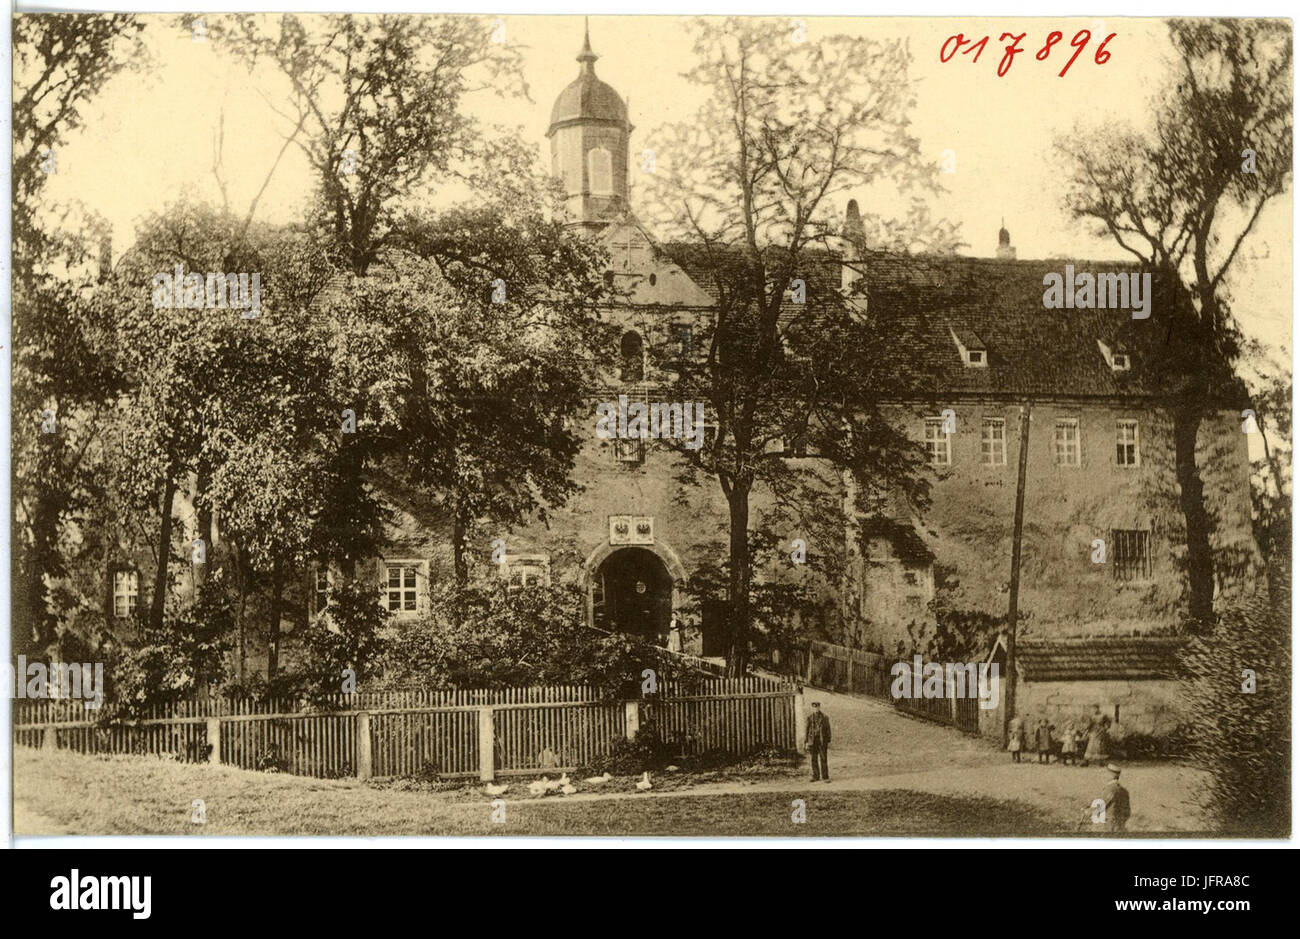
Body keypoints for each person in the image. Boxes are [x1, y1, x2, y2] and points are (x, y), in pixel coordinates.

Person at [1100, 763, 1131, 832]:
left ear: (1111, 775)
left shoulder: (1110, 789)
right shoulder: (1124, 790)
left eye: (1105, 773)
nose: (1103, 775)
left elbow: (1101, 805)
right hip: (1121, 825)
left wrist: (1088, 811)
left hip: (1111, 826)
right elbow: (1128, 812)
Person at [805, 701, 831, 782]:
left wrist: (827, 741)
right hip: (812, 741)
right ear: (812, 708)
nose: (816, 709)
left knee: (823, 758)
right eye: (814, 707)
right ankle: (815, 776)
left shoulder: (824, 717)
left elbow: (828, 730)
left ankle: (825, 777)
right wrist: (806, 742)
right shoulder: (809, 717)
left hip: (821, 741)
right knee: (814, 759)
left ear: (819, 707)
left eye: (817, 707)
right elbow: (807, 730)